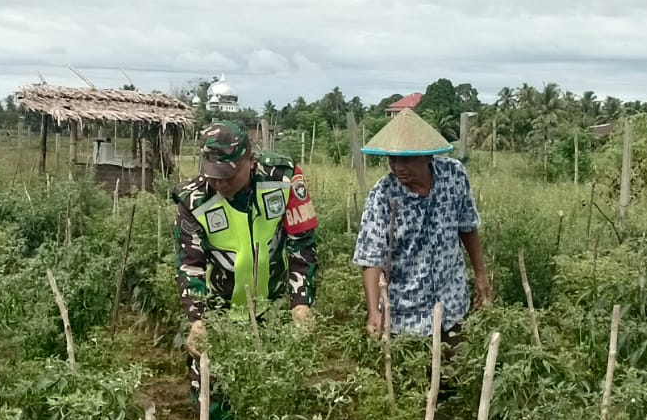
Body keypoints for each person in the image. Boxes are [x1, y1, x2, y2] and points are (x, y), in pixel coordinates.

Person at [173, 121, 317, 395]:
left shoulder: (283, 179)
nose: (221, 183)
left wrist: (300, 303)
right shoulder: (193, 200)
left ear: (250, 161)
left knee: (277, 389)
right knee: (213, 391)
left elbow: (302, 244)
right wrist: (197, 319)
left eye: (228, 175)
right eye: (213, 176)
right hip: (219, 313)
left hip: (275, 308)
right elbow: (190, 265)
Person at [351, 109, 491, 340]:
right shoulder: (383, 194)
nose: (398, 167)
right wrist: (373, 310)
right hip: (405, 316)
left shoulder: (453, 176)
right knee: (412, 363)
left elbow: (467, 225)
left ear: (427, 156)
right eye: (392, 159)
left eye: (406, 159)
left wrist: (480, 273)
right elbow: (371, 256)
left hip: (452, 303)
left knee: (457, 358)